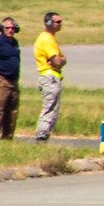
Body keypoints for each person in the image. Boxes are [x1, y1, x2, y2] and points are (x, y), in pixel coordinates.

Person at [32, 11, 67, 141]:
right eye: (57, 21)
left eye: (60, 21)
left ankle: (43, 135)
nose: (60, 24)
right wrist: (60, 60)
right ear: (48, 23)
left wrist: (61, 60)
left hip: (52, 76)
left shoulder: (51, 38)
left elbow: (61, 60)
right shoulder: (46, 39)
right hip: (49, 77)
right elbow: (58, 61)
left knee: (53, 109)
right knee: (50, 108)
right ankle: (41, 135)